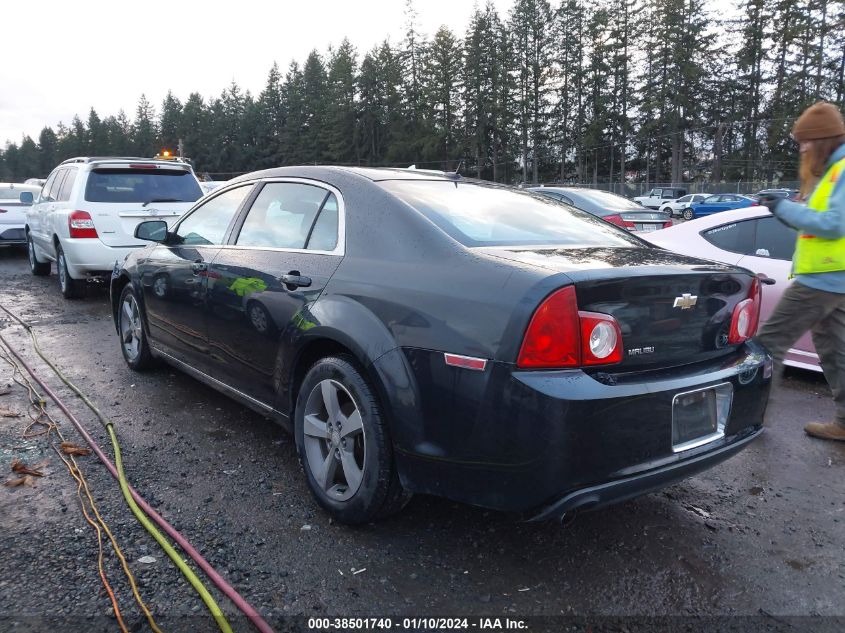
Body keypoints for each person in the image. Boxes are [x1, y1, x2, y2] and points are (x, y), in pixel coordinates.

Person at [756, 101, 845, 442]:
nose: (802, 148)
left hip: (821, 279)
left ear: (823, 140)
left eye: (806, 141)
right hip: (834, 278)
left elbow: (834, 224)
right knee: (835, 350)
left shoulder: (841, 171)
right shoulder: (833, 173)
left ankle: (751, 420)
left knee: (768, 343)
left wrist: (784, 209)